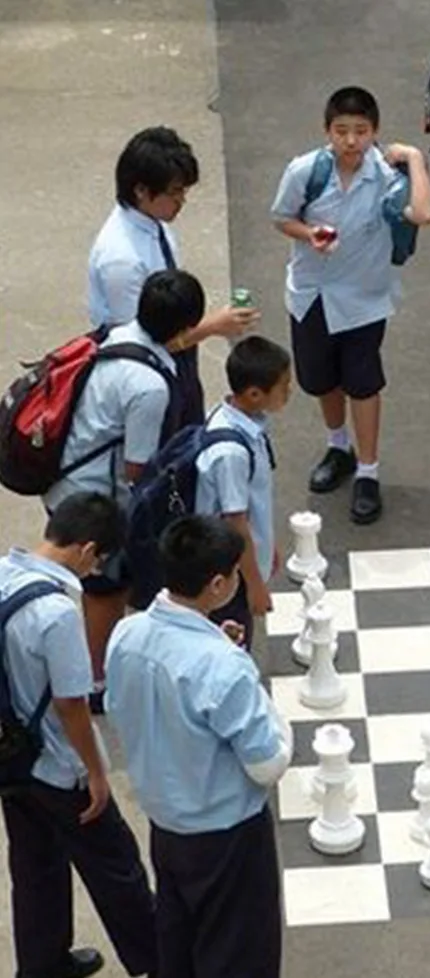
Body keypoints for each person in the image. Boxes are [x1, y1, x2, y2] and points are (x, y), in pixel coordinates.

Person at [105, 516, 293, 978]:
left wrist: (215, 645)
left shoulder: (126, 636)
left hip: (167, 824)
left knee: (180, 942)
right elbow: (267, 764)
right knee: (238, 955)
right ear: (217, 584)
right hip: (226, 834)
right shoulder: (222, 668)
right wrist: (275, 716)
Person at [0, 492, 156, 978]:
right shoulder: (57, 611)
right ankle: (157, 960)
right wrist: (95, 772)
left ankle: (42, 966)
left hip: (8, 758)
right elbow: (71, 705)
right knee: (118, 868)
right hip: (57, 766)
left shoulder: (3, 572)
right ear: (88, 550)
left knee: (34, 866)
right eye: (100, 560)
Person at [272, 85, 430, 525]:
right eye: (341, 130)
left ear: (375, 132)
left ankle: (368, 471)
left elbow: (422, 214)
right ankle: (337, 446)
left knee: (363, 383)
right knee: (319, 379)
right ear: (327, 131)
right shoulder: (305, 171)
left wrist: (416, 159)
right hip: (312, 294)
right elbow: (281, 217)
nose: (351, 140)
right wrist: (309, 235)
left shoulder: (387, 176)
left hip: (365, 299)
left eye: (361, 131)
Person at [45, 268, 206, 712]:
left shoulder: (117, 337)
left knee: (104, 585)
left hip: (68, 480)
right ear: (185, 328)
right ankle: (95, 681)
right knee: (104, 588)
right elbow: (138, 468)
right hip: (93, 499)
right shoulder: (149, 385)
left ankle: (96, 671)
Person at [89, 126, 260, 427]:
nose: (182, 200)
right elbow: (142, 348)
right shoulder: (122, 259)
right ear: (142, 190)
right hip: (150, 375)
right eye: (174, 192)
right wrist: (211, 326)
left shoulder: (156, 225)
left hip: (179, 363)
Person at [196, 336, 293, 650]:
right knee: (232, 649)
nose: (289, 392)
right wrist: (255, 585)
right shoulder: (231, 453)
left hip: (238, 563)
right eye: (284, 386)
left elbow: (253, 509)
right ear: (254, 394)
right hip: (229, 576)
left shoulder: (235, 420)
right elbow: (235, 523)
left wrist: (268, 547)